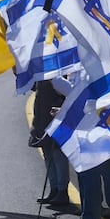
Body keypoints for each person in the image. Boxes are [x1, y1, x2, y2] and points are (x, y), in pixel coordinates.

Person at [30, 79, 73, 210]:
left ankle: (62, 191)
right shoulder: (40, 78)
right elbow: (30, 86)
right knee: (48, 156)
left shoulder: (56, 78)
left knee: (58, 157)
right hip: (42, 122)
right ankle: (54, 189)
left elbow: (71, 94)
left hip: (54, 122)